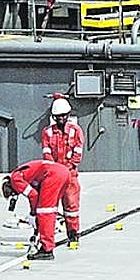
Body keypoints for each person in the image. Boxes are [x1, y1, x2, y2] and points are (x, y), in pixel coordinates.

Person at [0, 159, 70, 260]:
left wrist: (33, 214)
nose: (11, 194)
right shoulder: (21, 175)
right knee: (50, 211)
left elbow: (33, 196)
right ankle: (46, 244)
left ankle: (47, 250)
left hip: (52, 175)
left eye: (7, 193)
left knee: (44, 212)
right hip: (63, 172)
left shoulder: (15, 179)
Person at [41, 95, 83, 242]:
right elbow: (47, 153)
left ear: (68, 115)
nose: (61, 119)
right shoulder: (47, 132)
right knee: (50, 206)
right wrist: (55, 171)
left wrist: (66, 169)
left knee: (71, 205)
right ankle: (48, 234)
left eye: (63, 116)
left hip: (70, 174)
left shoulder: (76, 131)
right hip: (53, 175)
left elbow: (77, 154)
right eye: (58, 116)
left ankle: (73, 233)